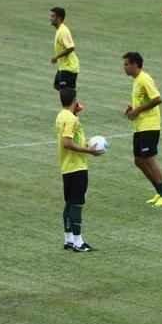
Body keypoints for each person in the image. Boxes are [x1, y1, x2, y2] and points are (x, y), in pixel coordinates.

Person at [57, 87, 103, 251]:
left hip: (66, 166)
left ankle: (68, 239)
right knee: (76, 205)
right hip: (77, 167)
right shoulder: (71, 120)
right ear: (74, 100)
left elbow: (71, 137)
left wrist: (75, 114)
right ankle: (78, 242)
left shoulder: (62, 115)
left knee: (69, 204)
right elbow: (67, 143)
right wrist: (89, 151)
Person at [122, 51, 162, 206]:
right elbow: (143, 100)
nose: (124, 68)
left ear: (135, 64)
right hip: (140, 126)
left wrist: (137, 110)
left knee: (148, 159)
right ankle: (159, 192)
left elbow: (157, 99)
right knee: (139, 160)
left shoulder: (144, 79)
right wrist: (132, 108)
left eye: (126, 64)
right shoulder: (136, 80)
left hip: (149, 125)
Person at [49, 7, 79, 91]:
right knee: (57, 85)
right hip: (63, 67)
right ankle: (74, 103)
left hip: (69, 67)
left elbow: (71, 47)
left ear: (59, 18)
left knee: (66, 93)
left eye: (52, 16)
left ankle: (74, 103)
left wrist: (56, 57)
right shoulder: (59, 30)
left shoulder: (63, 31)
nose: (50, 18)